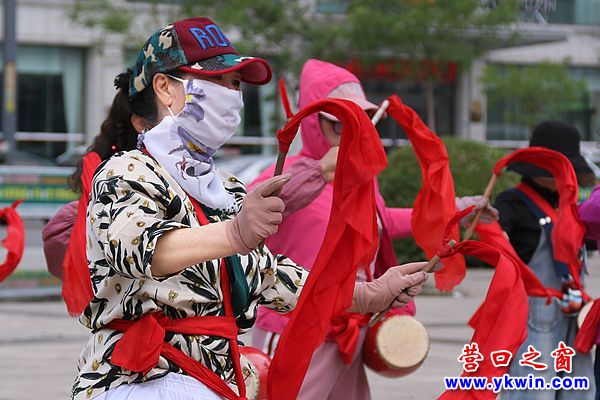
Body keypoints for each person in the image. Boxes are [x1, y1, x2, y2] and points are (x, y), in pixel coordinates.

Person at [71, 18, 430, 400]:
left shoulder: (224, 189)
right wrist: (234, 233)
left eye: (237, 84)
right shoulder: (127, 171)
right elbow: (140, 249)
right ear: (165, 88)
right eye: (217, 80)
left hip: (214, 381)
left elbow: (269, 277)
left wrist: (365, 295)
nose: (232, 94)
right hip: (139, 379)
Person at [249, 58, 498, 400]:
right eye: (339, 123)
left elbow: (382, 222)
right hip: (295, 327)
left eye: (361, 120)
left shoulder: (360, 180)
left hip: (351, 324)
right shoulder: (288, 174)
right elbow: (242, 212)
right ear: (312, 121)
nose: (352, 130)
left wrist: (457, 210)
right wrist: (318, 173)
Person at [494, 121, 596, 400]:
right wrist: (494, 231)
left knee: (580, 392)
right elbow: (494, 237)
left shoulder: (568, 206)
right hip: (534, 316)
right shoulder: (512, 202)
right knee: (534, 390)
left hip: (573, 315)